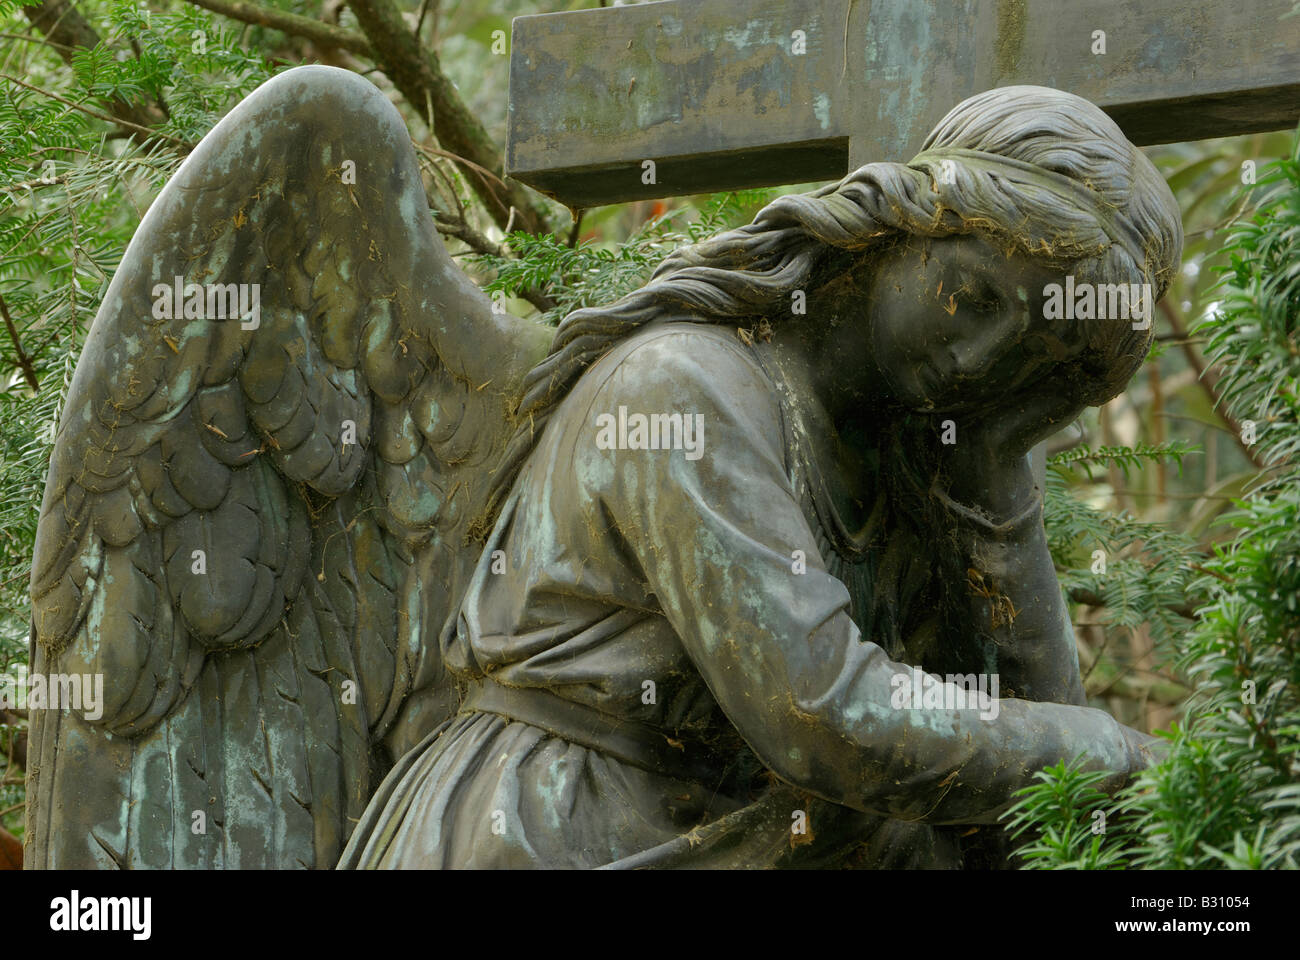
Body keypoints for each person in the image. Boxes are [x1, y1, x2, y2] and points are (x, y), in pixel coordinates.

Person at [338, 86, 1182, 869]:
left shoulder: (915, 465)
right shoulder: (685, 387)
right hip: (556, 832)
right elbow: (822, 716)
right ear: (902, 228)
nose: (978, 361)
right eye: (977, 296)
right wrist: (1110, 748)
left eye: (1036, 358)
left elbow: (1030, 835)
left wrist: (996, 485)